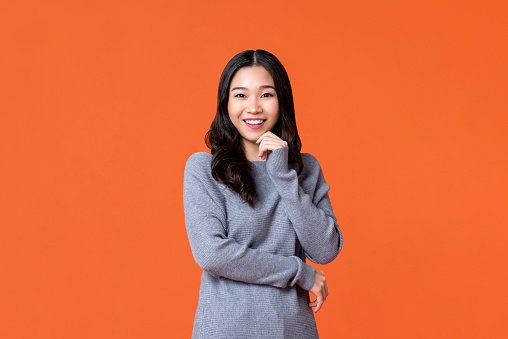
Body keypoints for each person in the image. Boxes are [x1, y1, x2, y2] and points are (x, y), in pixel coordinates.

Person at [183, 49, 343, 339]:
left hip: (292, 330)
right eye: (241, 95)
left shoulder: (305, 170)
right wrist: (300, 272)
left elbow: (325, 249)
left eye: (266, 95)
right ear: (226, 103)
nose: (253, 108)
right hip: (226, 330)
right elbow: (212, 254)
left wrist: (282, 175)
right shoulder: (203, 168)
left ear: (282, 101)